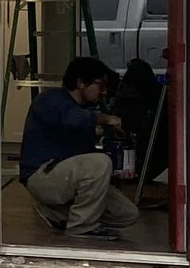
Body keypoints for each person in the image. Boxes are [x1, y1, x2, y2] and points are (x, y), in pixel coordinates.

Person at [20, 55, 138, 239]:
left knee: (127, 213)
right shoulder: (51, 100)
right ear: (81, 82)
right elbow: (73, 119)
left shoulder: (82, 112)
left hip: (64, 179)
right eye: (101, 85)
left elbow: (85, 161)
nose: (104, 92)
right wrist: (106, 119)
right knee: (99, 163)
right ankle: (81, 227)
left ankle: (58, 215)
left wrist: (111, 173)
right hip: (41, 176)